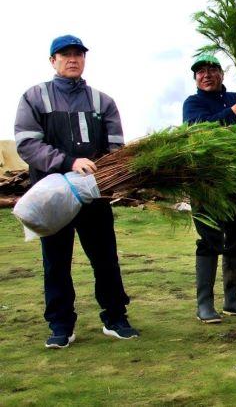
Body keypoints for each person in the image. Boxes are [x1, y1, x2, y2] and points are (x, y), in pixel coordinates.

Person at [14, 35, 138, 348]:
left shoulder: (102, 101)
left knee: (105, 258)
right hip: (51, 197)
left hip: (94, 195)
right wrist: (68, 162)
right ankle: (61, 325)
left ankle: (115, 318)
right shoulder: (35, 97)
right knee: (56, 262)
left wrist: (108, 173)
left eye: (78, 54)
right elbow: (27, 144)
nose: (73, 59)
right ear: (52, 60)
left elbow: (116, 148)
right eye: (65, 54)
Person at [182, 54, 236, 323]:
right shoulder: (193, 103)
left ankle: (232, 300)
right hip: (208, 184)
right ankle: (204, 304)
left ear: (222, 74)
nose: (206, 75)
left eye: (212, 70)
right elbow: (201, 131)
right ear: (195, 78)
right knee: (210, 240)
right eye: (200, 72)